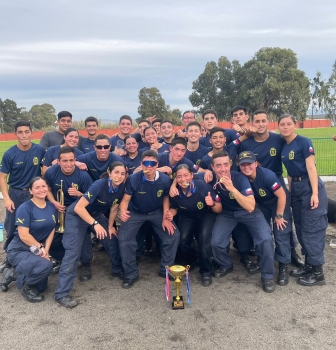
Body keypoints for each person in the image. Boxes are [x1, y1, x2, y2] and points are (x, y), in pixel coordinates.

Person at [55, 161, 127, 308]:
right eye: (116, 172)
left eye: (122, 173)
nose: (119, 176)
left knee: (110, 238)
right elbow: (79, 208)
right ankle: (62, 293)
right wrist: (95, 224)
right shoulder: (99, 185)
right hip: (77, 215)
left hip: (95, 214)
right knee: (73, 252)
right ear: (109, 172)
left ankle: (117, 270)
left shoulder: (120, 188)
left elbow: (114, 207)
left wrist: (110, 226)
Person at [239, 109, 304, 267]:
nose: (261, 124)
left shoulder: (278, 139)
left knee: (282, 223)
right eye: (257, 121)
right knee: (263, 226)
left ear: (268, 122)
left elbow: (294, 145)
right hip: (256, 187)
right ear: (252, 123)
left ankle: (290, 253)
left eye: (263, 121)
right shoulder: (247, 143)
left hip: (276, 185)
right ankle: (264, 256)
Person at [210, 151, 276, 293]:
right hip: (227, 213)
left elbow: (250, 206)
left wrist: (232, 188)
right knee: (216, 242)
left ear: (231, 165)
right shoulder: (210, 180)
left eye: (226, 165)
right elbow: (187, 175)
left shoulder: (239, 178)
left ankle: (267, 275)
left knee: (265, 239)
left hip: (248, 211)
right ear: (213, 167)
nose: (223, 169)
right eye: (219, 166)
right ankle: (226, 265)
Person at [118, 150, 180, 289]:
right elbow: (125, 200)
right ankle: (131, 273)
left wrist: (165, 216)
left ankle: (166, 268)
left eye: (152, 163)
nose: (149, 167)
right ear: (141, 164)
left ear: (157, 164)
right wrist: (123, 212)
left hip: (156, 212)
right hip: (135, 212)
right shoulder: (133, 179)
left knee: (173, 235)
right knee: (124, 239)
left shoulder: (164, 179)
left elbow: (165, 198)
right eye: (146, 163)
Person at [278, 114, 328, 286]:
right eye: (282, 124)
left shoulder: (304, 142)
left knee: (311, 229)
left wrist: (314, 193)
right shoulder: (284, 146)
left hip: (309, 185)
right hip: (296, 188)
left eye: (288, 124)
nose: (285, 127)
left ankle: (318, 272)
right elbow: (290, 173)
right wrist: (291, 194)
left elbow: (311, 168)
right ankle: (308, 264)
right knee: (299, 227)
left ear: (294, 125)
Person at [238, 151, 292, 286]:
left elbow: (282, 196)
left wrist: (279, 216)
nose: (246, 167)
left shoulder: (267, 175)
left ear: (255, 163)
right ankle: (263, 258)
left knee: (280, 232)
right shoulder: (241, 177)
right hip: (262, 204)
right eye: (242, 164)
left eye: (249, 164)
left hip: (278, 203)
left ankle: (283, 265)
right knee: (262, 232)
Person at [0, 177, 56, 302]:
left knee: (41, 286)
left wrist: (46, 250)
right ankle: (27, 288)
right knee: (46, 265)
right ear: (30, 191)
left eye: (43, 186)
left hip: (36, 249)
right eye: (37, 187)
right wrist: (40, 248)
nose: (41, 189)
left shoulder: (52, 207)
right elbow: (24, 235)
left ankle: (13, 274)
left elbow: (52, 229)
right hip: (19, 249)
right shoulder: (25, 208)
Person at [0, 121, 45, 272]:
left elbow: (46, 169)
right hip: (16, 193)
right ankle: (10, 256)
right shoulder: (10, 153)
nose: (24, 135)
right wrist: (6, 198)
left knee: (35, 224)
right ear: (15, 134)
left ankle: (36, 253)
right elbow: (2, 177)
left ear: (31, 133)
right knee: (12, 225)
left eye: (27, 131)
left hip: (35, 193)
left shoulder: (39, 150)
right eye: (20, 132)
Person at [169, 164, 222, 287]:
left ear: (192, 176)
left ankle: (206, 271)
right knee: (182, 239)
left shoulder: (203, 186)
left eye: (186, 175)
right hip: (187, 215)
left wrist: (212, 203)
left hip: (206, 214)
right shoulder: (175, 192)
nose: (183, 179)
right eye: (179, 177)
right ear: (176, 179)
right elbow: (174, 209)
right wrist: (169, 215)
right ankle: (193, 259)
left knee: (204, 238)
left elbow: (219, 209)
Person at [44, 147, 93, 276]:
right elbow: (47, 189)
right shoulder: (50, 172)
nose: (68, 164)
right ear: (58, 161)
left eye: (71, 160)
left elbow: (91, 197)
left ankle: (86, 264)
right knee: (54, 237)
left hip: (77, 210)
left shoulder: (83, 175)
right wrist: (54, 202)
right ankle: (61, 260)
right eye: (64, 161)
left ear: (75, 160)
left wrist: (79, 194)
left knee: (82, 238)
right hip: (57, 208)